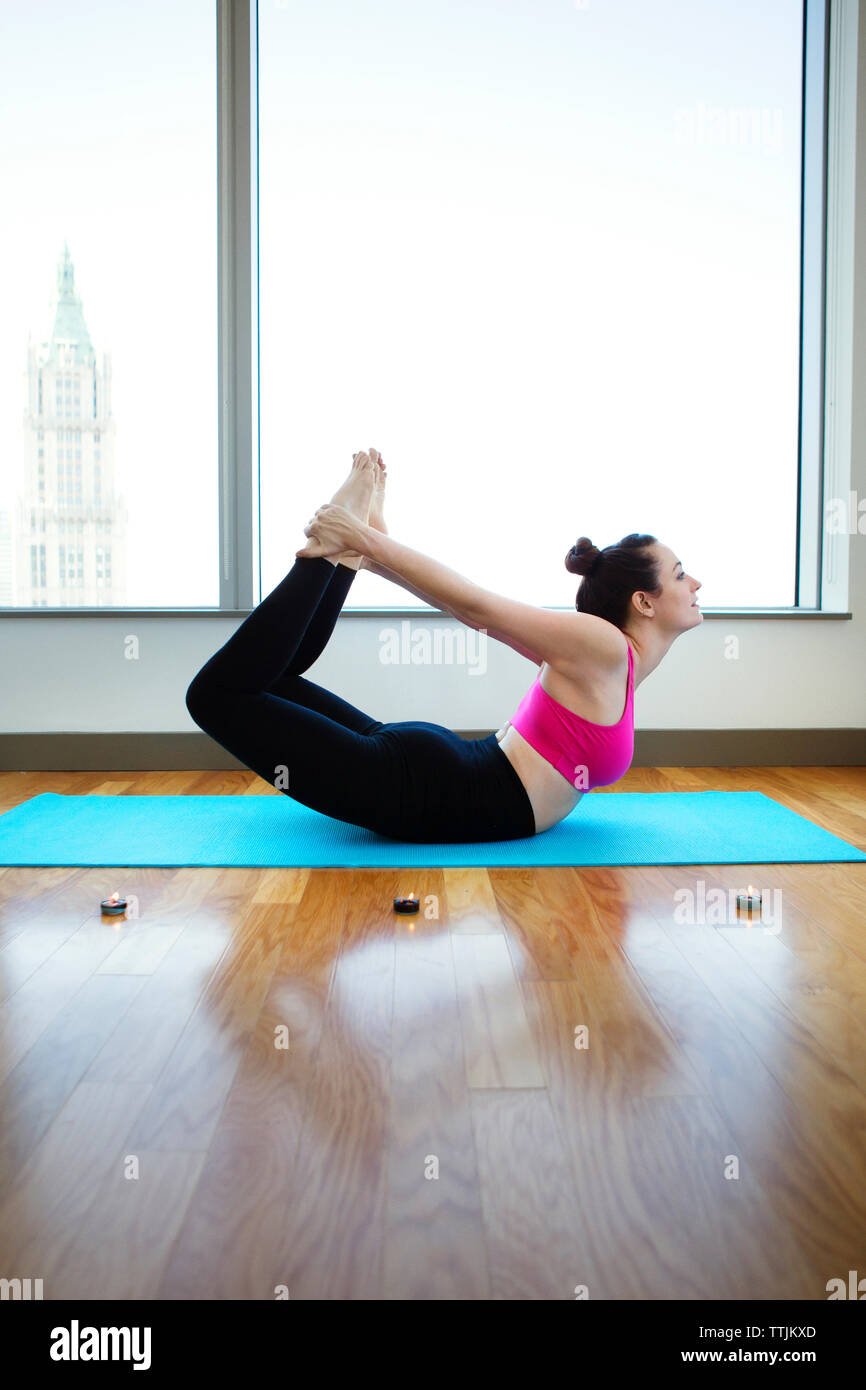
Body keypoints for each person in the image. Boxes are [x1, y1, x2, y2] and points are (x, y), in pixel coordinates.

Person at [185, 450, 702, 842]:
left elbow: (479, 617)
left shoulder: (613, 660)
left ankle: (340, 553)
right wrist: (367, 542)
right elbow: (475, 607)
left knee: (267, 680)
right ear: (645, 602)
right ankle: (329, 552)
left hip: (438, 773)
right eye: (681, 575)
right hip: (425, 789)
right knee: (215, 696)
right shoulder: (604, 646)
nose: (695, 583)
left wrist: (370, 549)